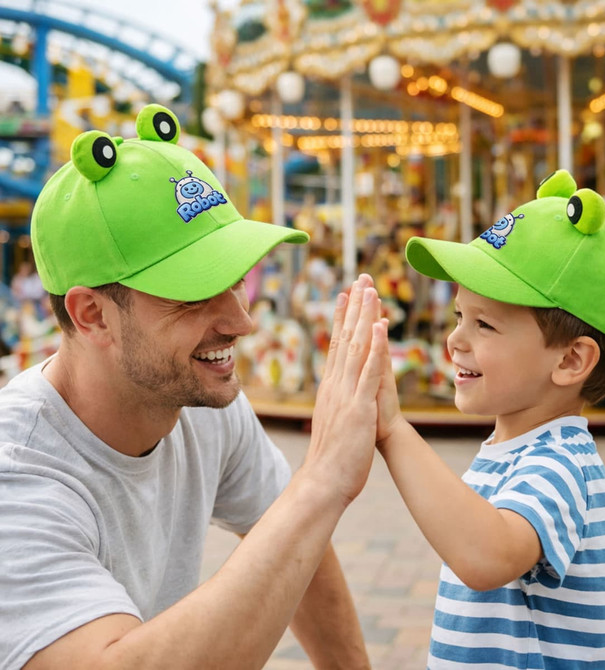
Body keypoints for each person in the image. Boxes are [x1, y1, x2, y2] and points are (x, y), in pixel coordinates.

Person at [0, 104, 388, 670]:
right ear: (93, 315)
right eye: (195, 291)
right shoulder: (20, 477)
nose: (241, 320)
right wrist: (322, 481)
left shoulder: (197, 399)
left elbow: (293, 550)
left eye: (236, 279)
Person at [374, 169, 605, 668]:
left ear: (570, 360)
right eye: (459, 316)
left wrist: (395, 431)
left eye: (484, 324)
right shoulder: (516, 451)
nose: (456, 340)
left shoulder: (562, 461)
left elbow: (487, 558)